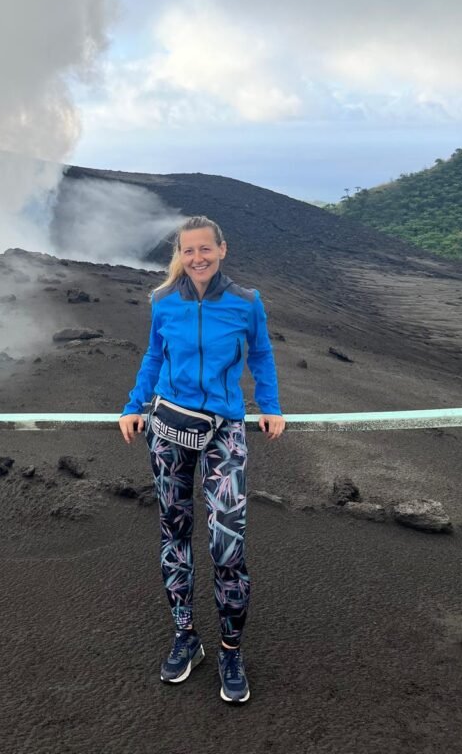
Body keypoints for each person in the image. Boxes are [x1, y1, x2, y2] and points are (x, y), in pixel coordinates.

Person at [118, 215, 285, 704]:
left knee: (227, 545)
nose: (197, 258)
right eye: (188, 251)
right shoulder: (163, 300)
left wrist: (270, 405)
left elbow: (261, 355)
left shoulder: (246, 302)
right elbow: (154, 356)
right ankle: (185, 636)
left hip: (223, 431)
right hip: (168, 429)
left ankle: (231, 650)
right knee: (175, 534)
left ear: (222, 249)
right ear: (180, 255)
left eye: (205, 249)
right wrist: (133, 405)